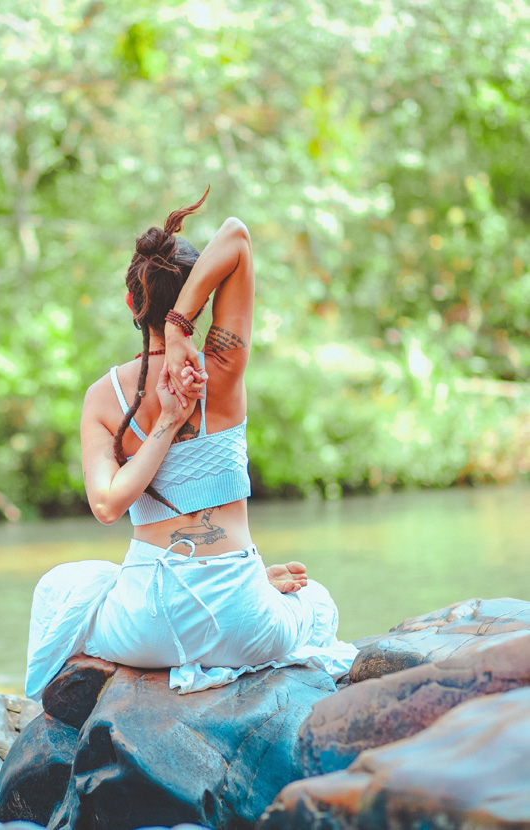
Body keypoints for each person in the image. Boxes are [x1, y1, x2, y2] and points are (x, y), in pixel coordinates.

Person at [25, 190, 357, 700]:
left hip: (145, 627)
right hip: (243, 623)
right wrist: (184, 327)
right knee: (317, 602)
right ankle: (253, 588)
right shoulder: (219, 370)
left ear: (131, 302)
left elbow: (107, 505)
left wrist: (159, 419)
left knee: (62, 589)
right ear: (198, 296)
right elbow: (237, 236)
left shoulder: (102, 398)